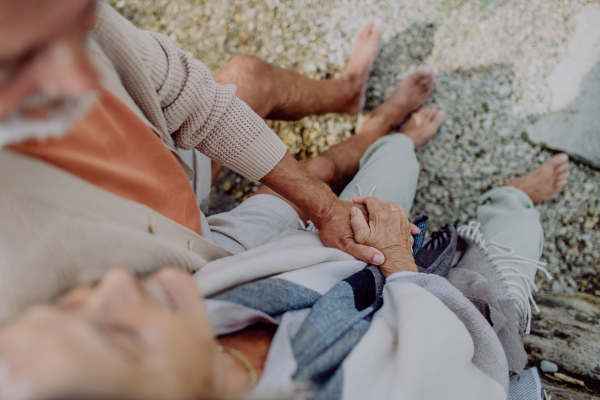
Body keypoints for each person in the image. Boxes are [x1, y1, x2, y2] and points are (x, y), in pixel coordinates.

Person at [0, 67, 570, 399]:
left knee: (393, 155)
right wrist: (400, 263)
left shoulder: (194, 307)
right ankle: (516, 191)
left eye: (74, 302)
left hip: (341, 257)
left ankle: (390, 137)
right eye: (120, 338)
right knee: (516, 231)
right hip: (454, 313)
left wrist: (330, 216)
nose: (118, 284)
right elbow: (469, 377)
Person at [0, 0, 436, 324]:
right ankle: (376, 130)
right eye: (22, 68)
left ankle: (347, 90)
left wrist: (324, 206)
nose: (85, 84)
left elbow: (189, 96)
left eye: (77, 33)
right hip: (194, 279)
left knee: (249, 78)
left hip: (169, 182)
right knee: (319, 174)